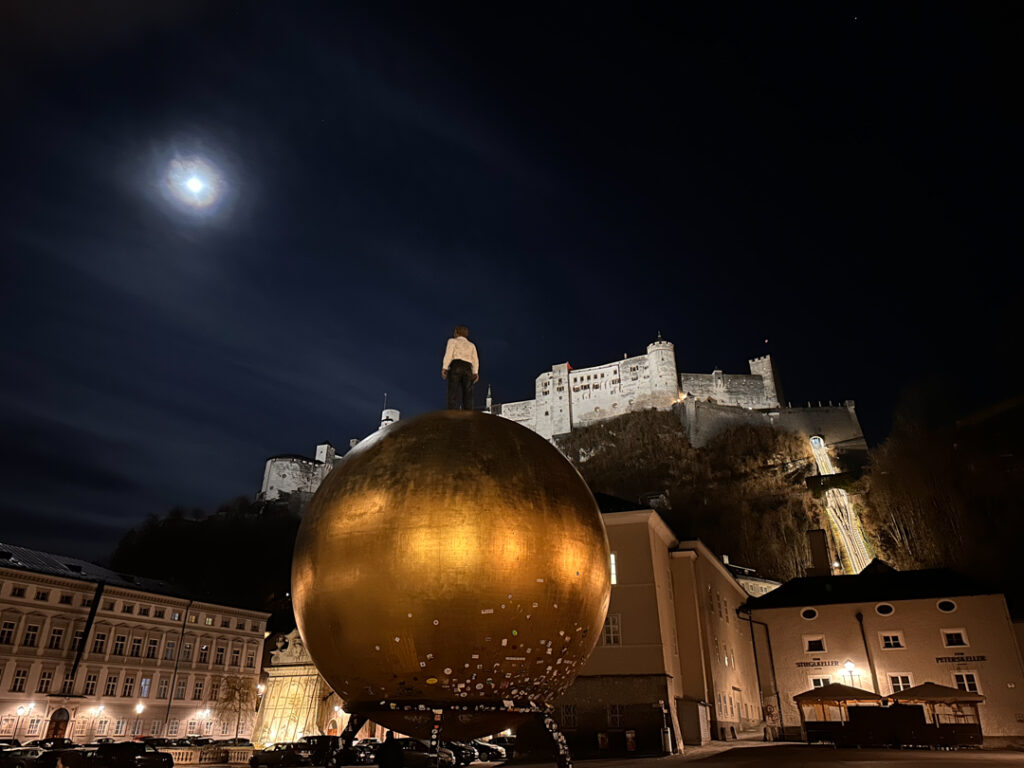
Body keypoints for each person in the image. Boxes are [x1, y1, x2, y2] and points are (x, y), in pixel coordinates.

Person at [441, 325, 479, 410]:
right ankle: (468, 412)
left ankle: (452, 411)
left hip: (456, 365)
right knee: (468, 393)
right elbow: (475, 359)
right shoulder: (471, 345)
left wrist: (445, 367)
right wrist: (475, 372)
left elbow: (449, 354)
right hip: (468, 368)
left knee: (453, 391)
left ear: (456, 332)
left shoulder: (452, 341)